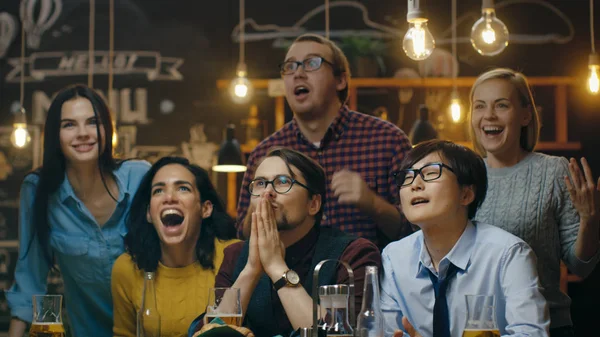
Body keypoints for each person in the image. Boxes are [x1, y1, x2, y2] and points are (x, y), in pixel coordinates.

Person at [237, 33, 413, 249]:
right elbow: (243, 239)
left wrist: (373, 204)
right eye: (290, 66)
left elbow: (418, 230)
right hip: (288, 280)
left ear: (340, 80)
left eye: (312, 63)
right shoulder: (265, 154)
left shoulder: (389, 141)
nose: (298, 74)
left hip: (368, 280)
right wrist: (259, 207)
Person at [6, 84, 151, 337]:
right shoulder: (38, 190)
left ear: (107, 128)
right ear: (55, 136)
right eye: (69, 125)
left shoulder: (140, 177)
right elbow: (30, 276)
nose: (83, 133)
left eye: (93, 122)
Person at [190, 147, 381, 337]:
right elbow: (208, 333)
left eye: (283, 182)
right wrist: (251, 270)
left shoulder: (353, 254)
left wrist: (277, 268)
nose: (268, 192)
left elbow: (343, 333)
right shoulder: (235, 254)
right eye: (260, 183)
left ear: (313, 204)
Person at [469, 68, 600, 337]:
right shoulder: (463, 177)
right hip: (480, 328)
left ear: (526, 115)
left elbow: (581, 266)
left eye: (501, 105)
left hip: (548, 326)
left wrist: (589, 219)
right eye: (479, 106)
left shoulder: (553, 171)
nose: (489, 115)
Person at [380, 140, 550, 337]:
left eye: (431, 173)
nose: (415, 185)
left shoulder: (509, 254)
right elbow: (386, 332)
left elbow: (531, 334)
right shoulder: (394, 258)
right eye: (406, 177)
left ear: (466, 194)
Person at [112, 156, 239, 337]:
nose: (169, 197)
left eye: (183, 188)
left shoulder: (232, 257)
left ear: (205, 209)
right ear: (149, 213)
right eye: (158, 191)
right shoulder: (126, 270)